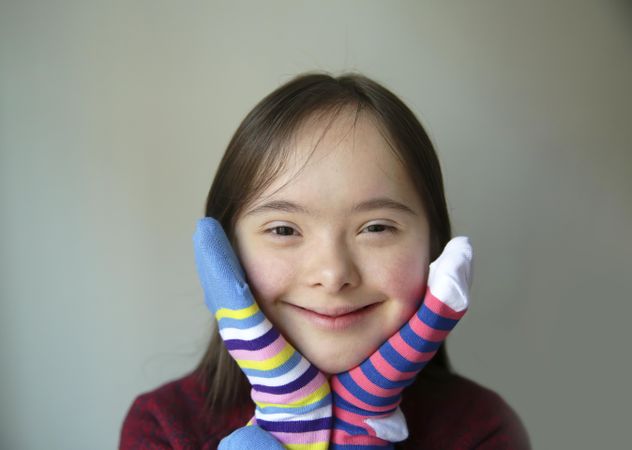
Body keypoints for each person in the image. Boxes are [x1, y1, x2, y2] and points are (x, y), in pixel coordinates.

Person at [120, 72, 530, 449]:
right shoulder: (164, 426)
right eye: (284, 230)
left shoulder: (481, 429)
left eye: (376, 228)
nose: (333, 276)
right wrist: (287, 410)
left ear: (435, 251)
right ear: (226, 253)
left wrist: (363, 423)